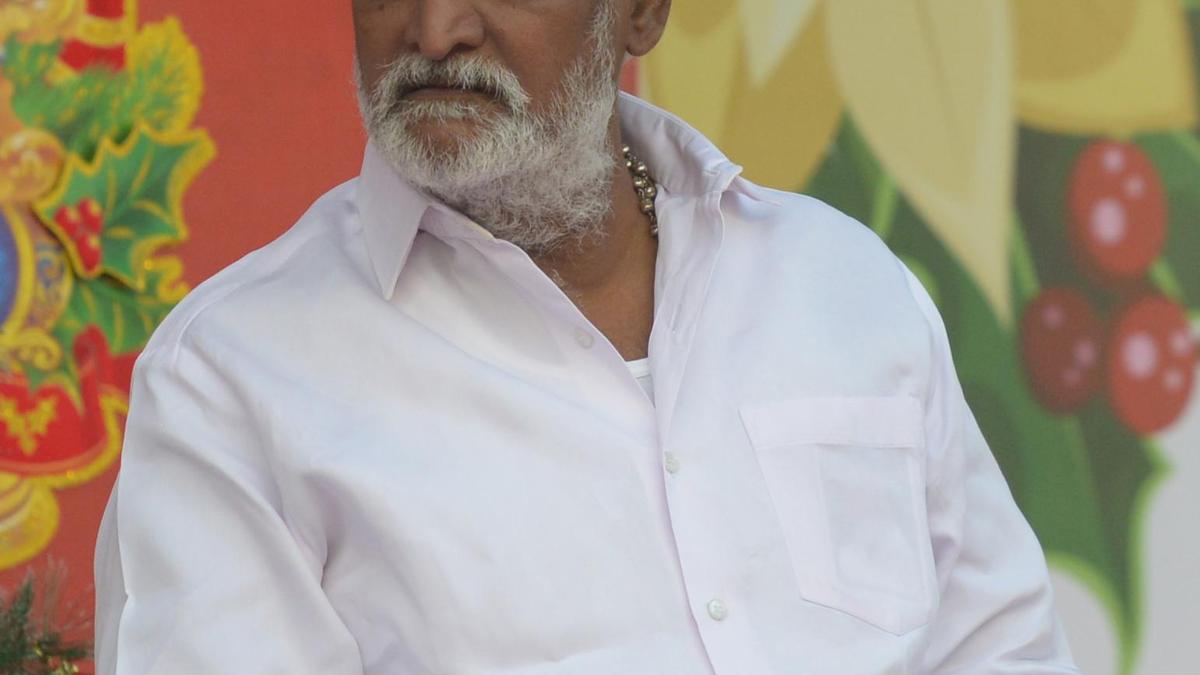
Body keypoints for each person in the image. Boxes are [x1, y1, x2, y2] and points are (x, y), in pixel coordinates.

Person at [94, 0, 1081, 673]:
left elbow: (1000, 650)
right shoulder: (230, 382)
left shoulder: (844, 287)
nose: (435, 29)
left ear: (641, 12)